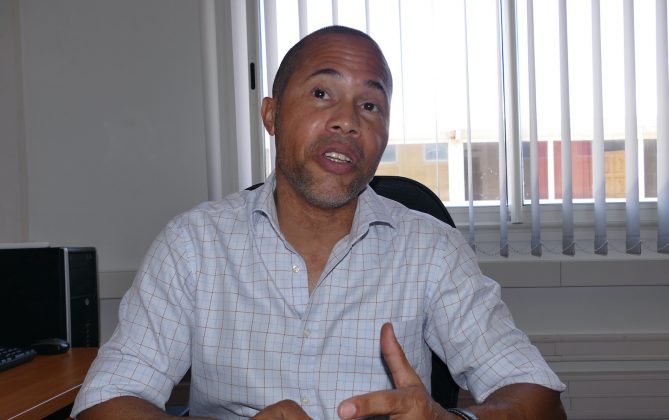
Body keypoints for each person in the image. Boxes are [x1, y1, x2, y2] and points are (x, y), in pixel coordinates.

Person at [72, 25, 566, 419]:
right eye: (321, 93)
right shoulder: (193, 245)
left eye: (370, 105)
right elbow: (104, 400)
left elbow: (538, 397)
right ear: (271, 115)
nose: (348, 120)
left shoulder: (430, 250)